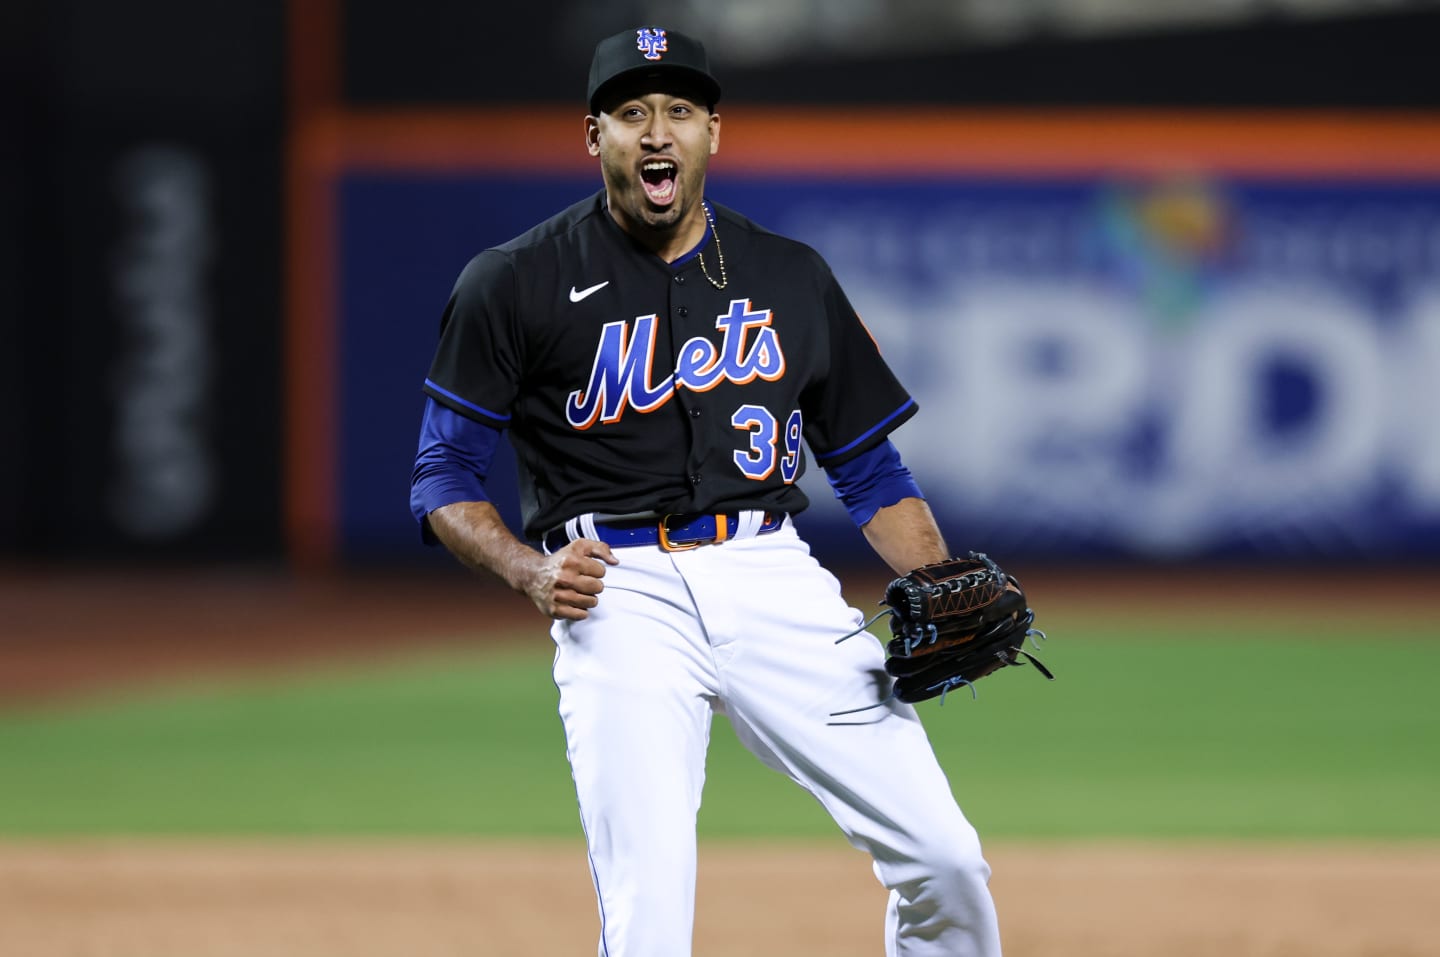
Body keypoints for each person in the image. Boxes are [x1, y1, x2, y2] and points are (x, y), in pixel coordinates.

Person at [410, 25, 1004, 957]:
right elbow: (442, 475)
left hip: (771, 575)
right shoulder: (512, 281)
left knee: (946, 858)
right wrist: (531, 572)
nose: (657, 133)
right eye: (633, 113)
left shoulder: (791, 275)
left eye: (679, 111)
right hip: (618, 594)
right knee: (649, 920)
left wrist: (937, 572)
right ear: (594, 135)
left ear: (712, 134)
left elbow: (868, 464)